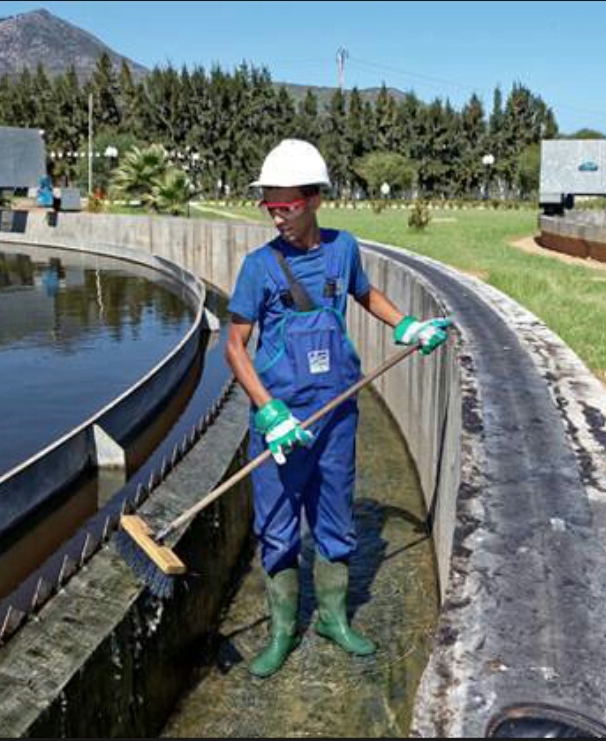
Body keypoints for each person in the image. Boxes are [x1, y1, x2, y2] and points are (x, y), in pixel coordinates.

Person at [225, 139, 452, 678]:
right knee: (278, 528)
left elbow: (365, 294)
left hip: (337, 413)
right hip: (281, 423)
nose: (277, 216)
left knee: (335, 521)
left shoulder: (343, 249)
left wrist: (406, 325)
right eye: (269, 206)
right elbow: (234, 346)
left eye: (287, 206)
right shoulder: (259, 267)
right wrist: (267, 412)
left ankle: (332, 617)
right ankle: (282, 631)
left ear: (314, 199)